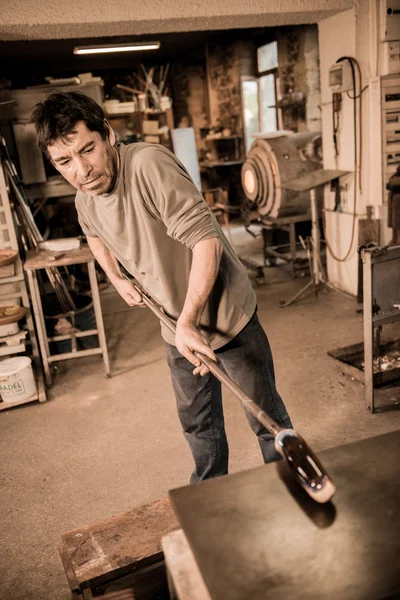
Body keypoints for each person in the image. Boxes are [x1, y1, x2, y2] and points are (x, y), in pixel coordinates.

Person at [31, 91, 292, 483]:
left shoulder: (149, 165)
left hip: (225, 316)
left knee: (264, 417)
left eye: (88, 150)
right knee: (198, 422)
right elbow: (94, 233)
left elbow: (207, 241)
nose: (81, 171)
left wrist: (190, 321)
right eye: (65, 161)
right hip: (175, 325)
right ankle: (208, 496)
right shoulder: (85, 198)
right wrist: (117, 279)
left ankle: (293, 486)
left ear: (108, 136)